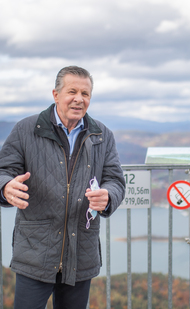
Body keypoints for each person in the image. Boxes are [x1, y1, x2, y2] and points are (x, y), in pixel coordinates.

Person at [0, 66, 126, 309]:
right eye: (72, 91)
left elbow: (115, 180)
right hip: (35, 252)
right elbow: (3, 171)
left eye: (85, 93)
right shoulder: (26, 130)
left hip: (81, 252)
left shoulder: (103, 135)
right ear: (55, 94)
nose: (79, 99)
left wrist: (109, 196)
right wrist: (5, 187)